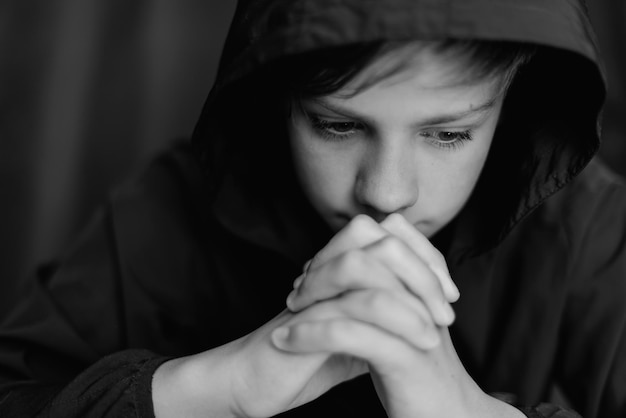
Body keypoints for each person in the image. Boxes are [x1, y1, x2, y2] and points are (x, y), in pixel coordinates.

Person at [0, 0, 624, 417]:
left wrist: (465, 410)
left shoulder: (590, 228)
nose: (385, 192)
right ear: (277, 96)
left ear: (515, 99)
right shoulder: (168, 208)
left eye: (448, 134)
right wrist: (217, 388)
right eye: (335, 125)